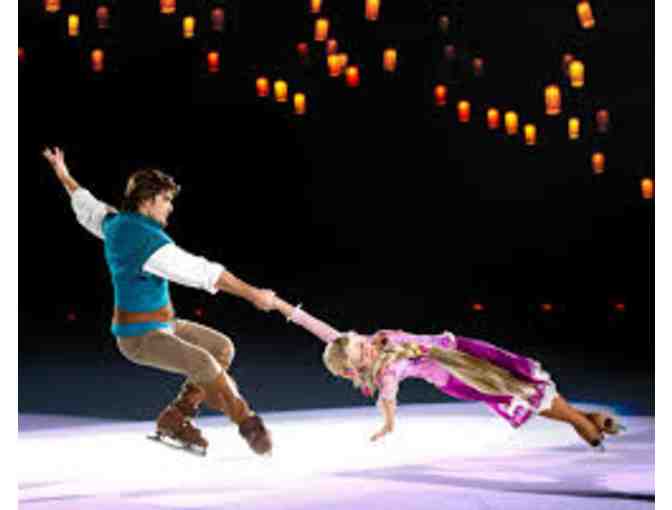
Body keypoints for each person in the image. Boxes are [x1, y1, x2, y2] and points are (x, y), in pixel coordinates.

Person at [42, 146, 275, 455]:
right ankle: (248, 423)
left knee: (221, 348)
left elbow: (86, 204)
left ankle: (175, 418)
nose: (170, 207)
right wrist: (253, 293)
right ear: (147, 201)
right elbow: (201, 272)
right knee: (204, 362)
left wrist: (64, 174)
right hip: (140, 337)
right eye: (165, 199)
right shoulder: (144, 240)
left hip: (164, 325)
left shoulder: (115, 222)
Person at [271, 298, 623, 449]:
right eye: (360, 355)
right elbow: (389, 397)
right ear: (356, 368)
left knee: (525, 382)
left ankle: (584, 420)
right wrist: (389, 424)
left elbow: (312, 324)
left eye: (360, 343)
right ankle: (582, 422)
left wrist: (279, 305)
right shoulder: (386, 370)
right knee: (520, 392)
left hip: (462, 347)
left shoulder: (356, 343)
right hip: (460, 376)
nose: (366, 348)